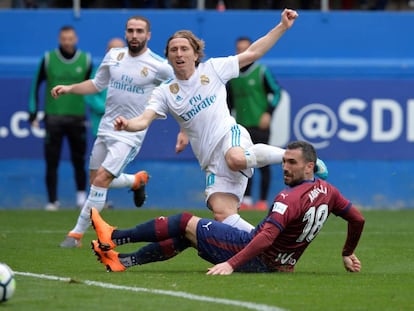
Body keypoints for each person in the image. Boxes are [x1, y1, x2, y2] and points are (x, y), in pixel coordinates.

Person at [114, 9, 328, 233]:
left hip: (229, 136)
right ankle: (265, 243)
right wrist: (128, 125)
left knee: (235, 158)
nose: (179, 53)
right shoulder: (164, 92)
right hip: (210, 159)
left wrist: (282, 26)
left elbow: (253, 53)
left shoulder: (213, 69)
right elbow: (144, 119)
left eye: (184, 48)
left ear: (196, 54)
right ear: (168, 56)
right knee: (222, 214)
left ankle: (289, 156)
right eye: (174, 50)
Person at [90, 140, 365, 274]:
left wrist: (231, 265)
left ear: (309, 166)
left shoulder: (288, 198)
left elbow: (265, 237)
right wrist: (347, 252)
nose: (285, 167)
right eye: (284, 161)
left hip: (257, 258)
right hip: (281, 265)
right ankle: (123, 260)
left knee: (186, 221)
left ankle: (114, 236)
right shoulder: (329, 192)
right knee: (192, 234)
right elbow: (358, 220)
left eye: (292, 162)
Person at [51, 16, 174, 248]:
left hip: (130, 133)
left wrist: (185, 127)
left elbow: (179, 91)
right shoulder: (114, 56)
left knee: (101, 180)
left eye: (140, 31)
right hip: (106, 128)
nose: (134, 35)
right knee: (96, 181)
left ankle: (76, 235)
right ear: (126, 33)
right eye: (130, 31)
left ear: (148, 35)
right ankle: (136, 180)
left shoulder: (160, 66)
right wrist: (69, 88)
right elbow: (97, 84)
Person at [29, 25, 92, 211]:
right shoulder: (48, 59)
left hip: (77, 117)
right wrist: (33, 112)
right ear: (59, 39)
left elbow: (95, 86)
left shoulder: (86, 60)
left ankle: (81, 198)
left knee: (79, 160)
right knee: (52, 160)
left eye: (70, 38)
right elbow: (35, 86)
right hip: (53, 118)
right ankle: (52, 201)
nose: (67, 42)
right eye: (64, 38)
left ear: (76, 39)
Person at [227, 36, 282, 211]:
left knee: (263, 161)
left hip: (260, 124)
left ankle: (263, 200)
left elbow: (277, 92)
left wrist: (268, 113)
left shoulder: (261, 71)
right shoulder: (232, 75)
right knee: (245, 161)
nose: (242, 52)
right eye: (239, 49)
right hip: (241, 127)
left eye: (246, 48)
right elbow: (228, 103)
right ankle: (247, 199)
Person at [85, 38, 125, 138]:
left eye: (120, 50)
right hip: (101, 126)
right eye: (113, 50)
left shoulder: (133, 73)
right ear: (107, 51)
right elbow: (89, 95)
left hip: (125, 128)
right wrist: (108, 108)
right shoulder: (98, 71)